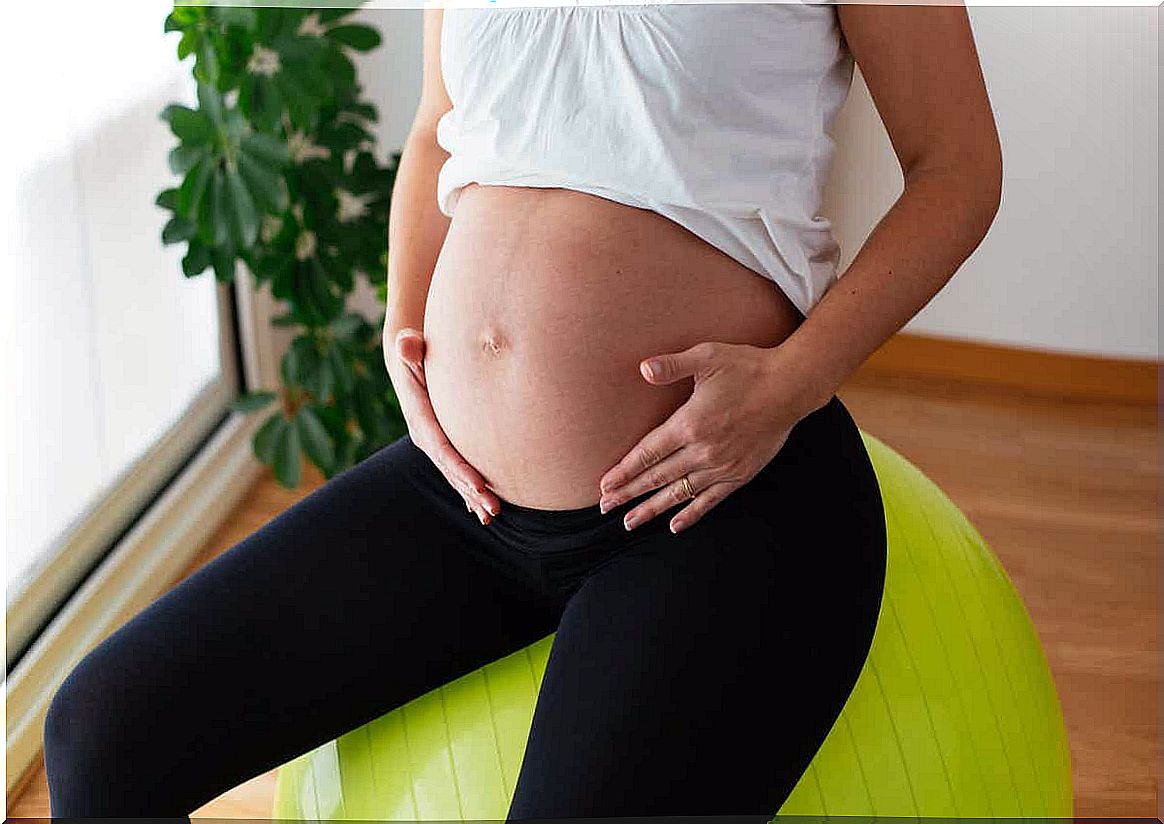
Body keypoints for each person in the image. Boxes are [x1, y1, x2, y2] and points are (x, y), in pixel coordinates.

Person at [43, 0, 1002, 817]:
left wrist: (793, 382)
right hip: (464, 498)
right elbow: (438, 125)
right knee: (103, 733)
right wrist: (404, 320)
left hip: (716, 495)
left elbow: (956, 167)